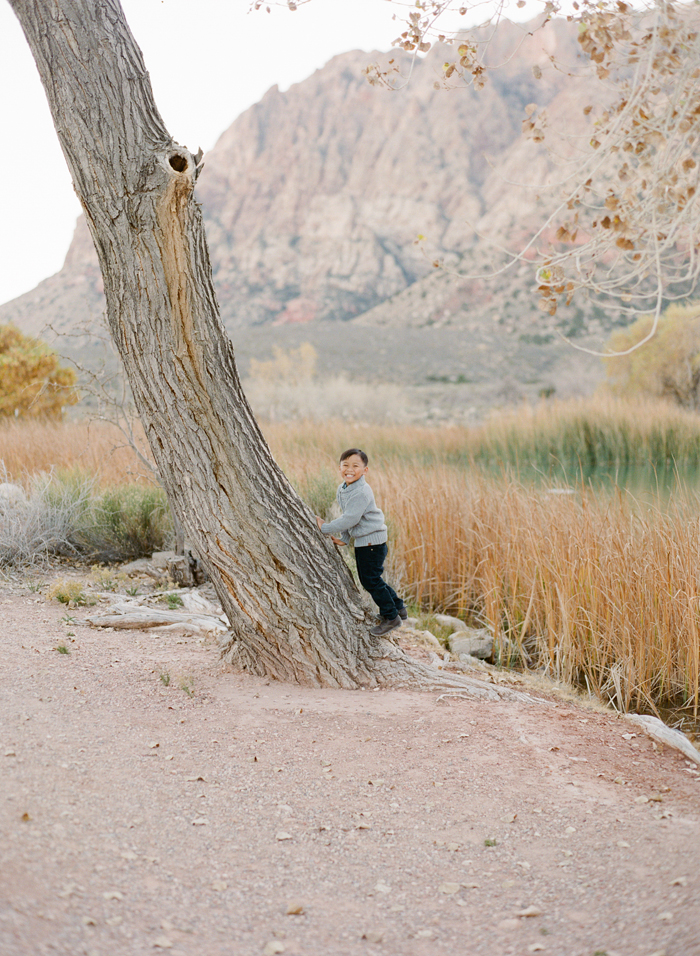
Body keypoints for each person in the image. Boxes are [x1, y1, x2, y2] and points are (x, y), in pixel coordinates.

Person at [316, 448, 407, 637]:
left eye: (355, 466)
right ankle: (398, 608)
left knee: (370, 581)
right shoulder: (344, 488)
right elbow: (349, 517)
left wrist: (325, 528)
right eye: (345, 465)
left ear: (365, 470)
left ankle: (391, 617)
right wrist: (345, 539)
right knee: (375, 578)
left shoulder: (362, 492)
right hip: (366, 542)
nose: (350, 469)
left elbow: (350, 519)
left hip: (371, 544)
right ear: (339, 467)